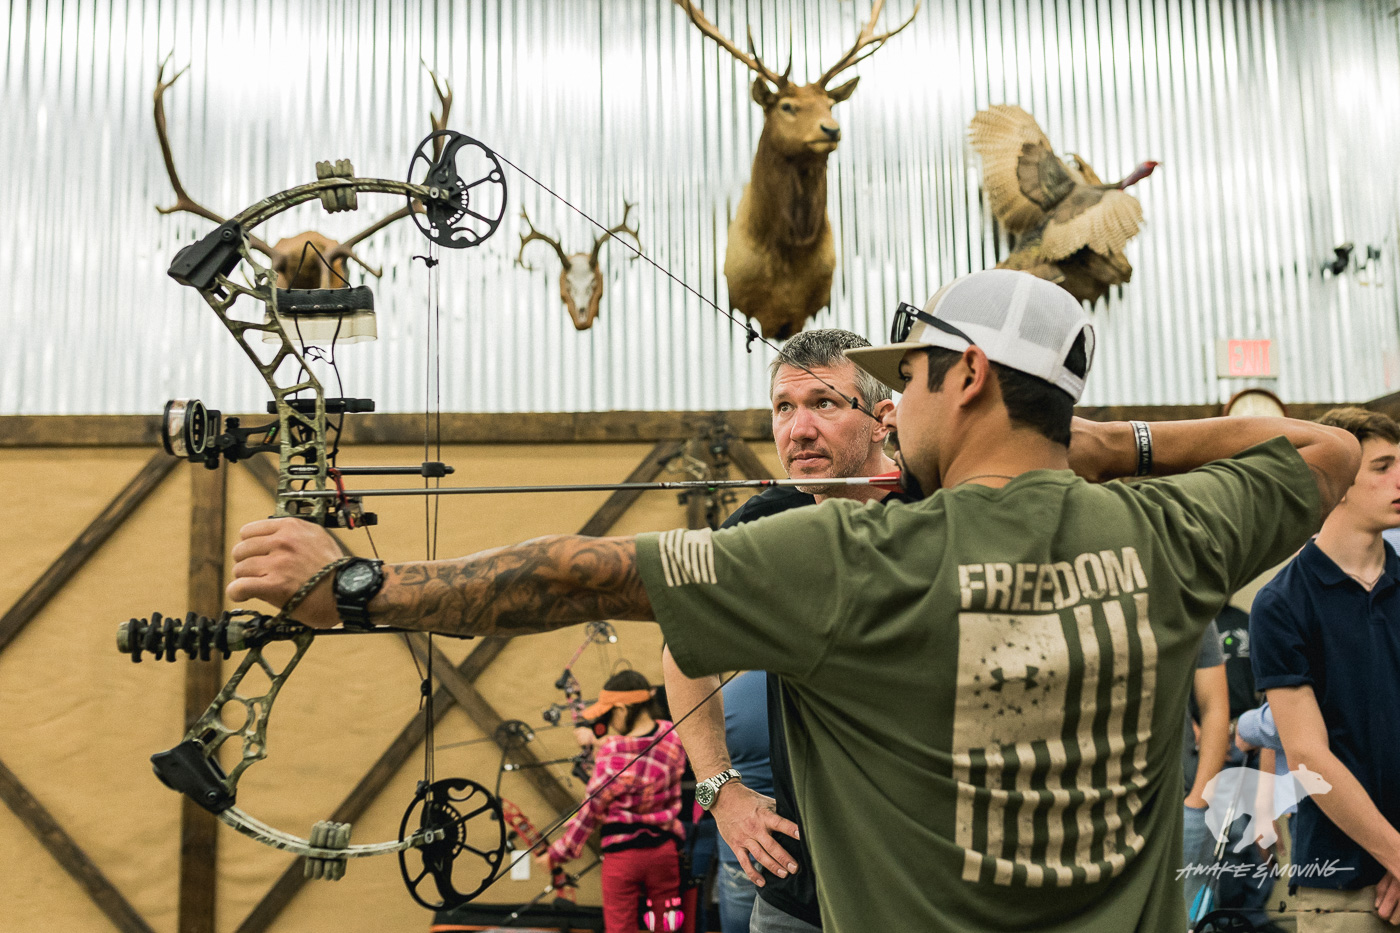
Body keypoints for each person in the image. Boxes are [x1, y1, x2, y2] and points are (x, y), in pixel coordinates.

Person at [227, 269, 1358, 933]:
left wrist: (358, 587)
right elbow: (1322, 450)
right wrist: (1109, 448)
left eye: (905, 375)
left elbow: (578, 574)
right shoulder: (1171, 533)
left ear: (964, 378)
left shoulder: (856, 554)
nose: (893, 401)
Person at [661, 328, 901, 933]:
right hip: (800, 894)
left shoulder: (938, 504)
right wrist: (720, 791)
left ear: (882, 419)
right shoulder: (769, 517)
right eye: (783, 408)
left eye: (823, 403)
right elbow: (682, 646)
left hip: (919, 883)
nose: (798, 430)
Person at [1250, 407, 1400, 931]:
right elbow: (1310, 756)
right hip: (1341, 889)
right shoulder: (1281, 605)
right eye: (1382, 466)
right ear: (1336, 482)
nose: (1399, 477)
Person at [535, 670, 688, 933]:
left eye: (610, 713)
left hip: (622, 857)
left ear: (623, 707)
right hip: (664, 853)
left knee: (620, 927)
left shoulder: (613, 751)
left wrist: (558, 853)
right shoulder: (673, 737)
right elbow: (644, 754)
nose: (611, 721)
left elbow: (592, 809)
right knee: (667, 925)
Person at [1183, 619, 1230, 915]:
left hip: (1181, 801)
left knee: (1187, 918)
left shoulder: (1183, 598)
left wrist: (1199, 802)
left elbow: (1214, 706)